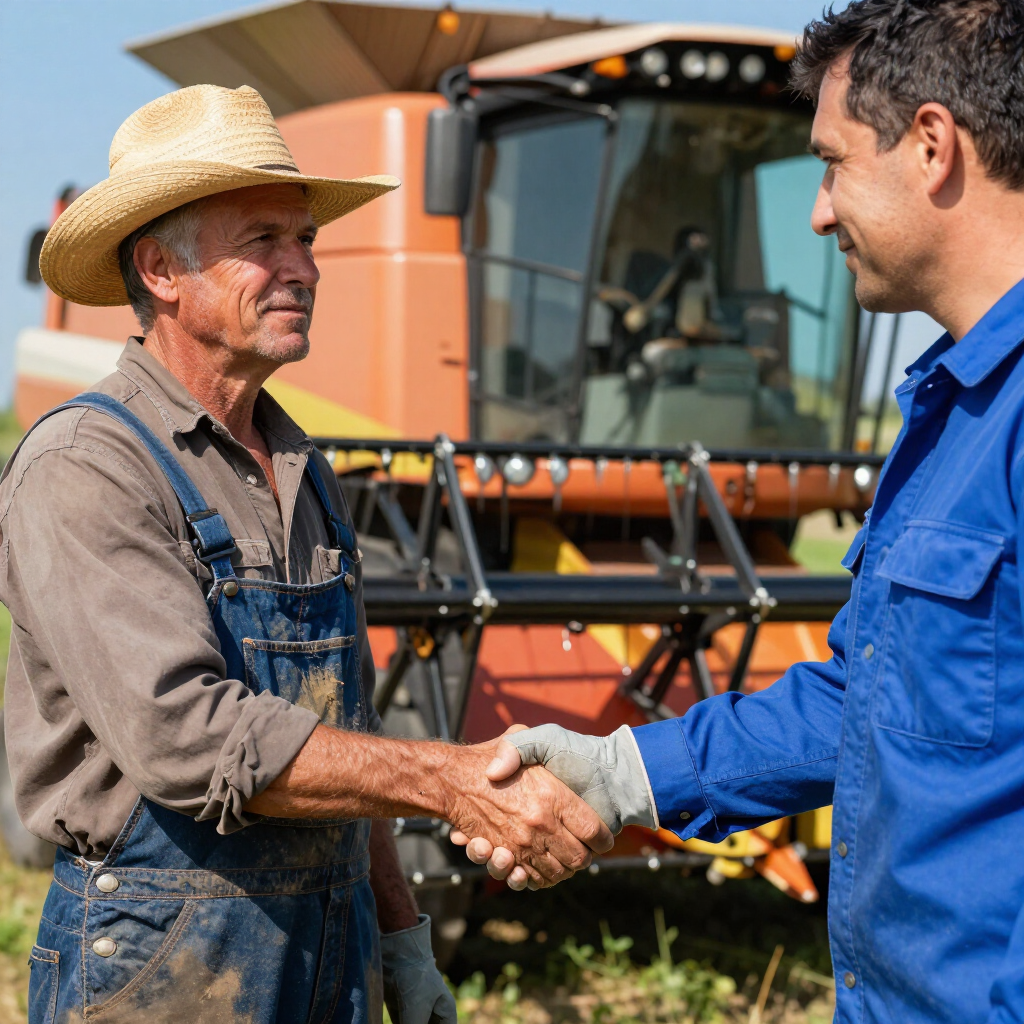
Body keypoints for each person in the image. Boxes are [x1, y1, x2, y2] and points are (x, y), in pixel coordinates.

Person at [454, 1, 1024, 1021]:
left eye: (831, 161)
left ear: (932, 147)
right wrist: (620, 769)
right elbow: (871, 696)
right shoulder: (951, 412)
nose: (815, 213)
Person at [3, 83, 612, 1024]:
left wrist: (403, 935)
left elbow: (346, 726)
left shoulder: (301, 467)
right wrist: (451, 783)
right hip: (161, 965)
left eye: (308, 241)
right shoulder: (89, 465)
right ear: (161, 268)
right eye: (264, 242)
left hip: (329, 947)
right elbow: (187, 738)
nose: (304, 268)